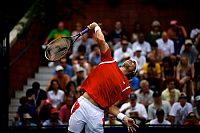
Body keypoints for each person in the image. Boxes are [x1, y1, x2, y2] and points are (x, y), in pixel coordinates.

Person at [68, 22, 138, 133]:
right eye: (131, 59)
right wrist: (96, 27)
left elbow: (110, 107)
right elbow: (101, 40)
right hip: (83, 103)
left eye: (134, 63)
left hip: (96, 112)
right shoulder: (109, 60)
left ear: (133, 72)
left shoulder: (126, 88)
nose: (131, 60)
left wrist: (123, 118)